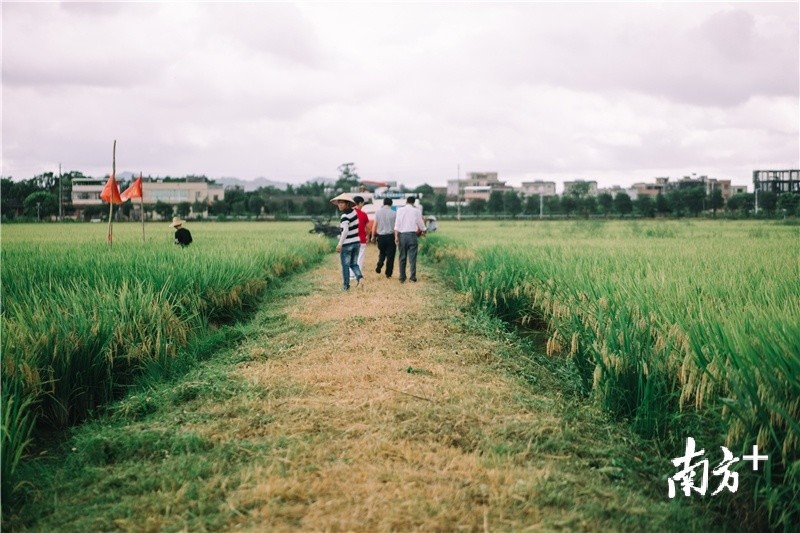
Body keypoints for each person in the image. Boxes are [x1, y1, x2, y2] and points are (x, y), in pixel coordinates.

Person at [331, 193, 364, 291]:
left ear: (347, 204)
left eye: (342, 203)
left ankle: (346, 286)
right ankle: (360, 278)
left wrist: (339, 244)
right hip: (357, 243)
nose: (340, 205)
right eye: (338, 203)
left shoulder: (344, 216)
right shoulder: (354, 213)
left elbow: (345, 230)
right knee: (354, 264)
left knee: (345, 266)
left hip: (347, 244)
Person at [393, 196, 426, 283]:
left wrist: (396, 237)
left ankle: (402, 277)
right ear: (413, 202)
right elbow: (420, 223)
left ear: (406, 201)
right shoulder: (416, 211)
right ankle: (412, 277)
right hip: (412, 235)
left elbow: (397, 225)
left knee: (402, 257)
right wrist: (424, 230)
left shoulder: (399, 210)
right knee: (412, 257)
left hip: (402, 235)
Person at [371, 197, 397, 278]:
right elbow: (396, 227)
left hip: (381, 237)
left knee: (382, 252)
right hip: (390, 237)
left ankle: (380, 262)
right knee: (390, 256)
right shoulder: (394, 213)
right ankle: (388, 274)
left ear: (383, 203)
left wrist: (372, 236)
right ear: (391, 204)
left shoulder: (378, 212)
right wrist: (396, 237)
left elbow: (374, 225)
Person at [352, 195, 369, 280]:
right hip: (361, 239)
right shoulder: (363, 214)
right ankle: (358, 275)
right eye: (362, 204)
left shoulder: (348, 214)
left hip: (350, 240)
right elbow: (367, 227)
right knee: (360, 257)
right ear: (360, 203)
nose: (363, 205)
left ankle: (351, 275)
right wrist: (368, 236)